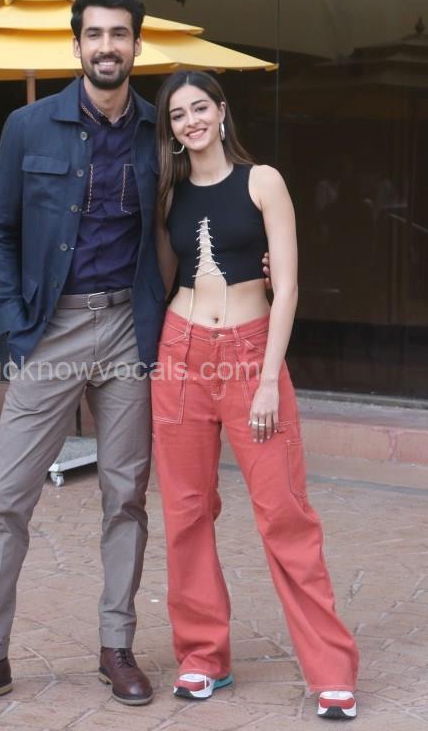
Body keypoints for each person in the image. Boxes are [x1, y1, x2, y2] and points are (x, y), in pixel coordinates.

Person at [0, 0, 166, 717]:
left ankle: (116, 646)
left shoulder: (159, 132)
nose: (107, 46)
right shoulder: (27, 126)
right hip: (52, 329)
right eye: (95, 34)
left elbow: (190, 218)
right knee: (8, 495)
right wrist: (12, 324)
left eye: (119, 34)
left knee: (125, 495)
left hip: (127, 326)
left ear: (136, 45)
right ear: (76, 44)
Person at [152, 71, 359, 720]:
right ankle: (202, 657)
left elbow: (288, 286)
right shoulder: (169, 193)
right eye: (178, 114)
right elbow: (162, 277)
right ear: (171, 129)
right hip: (180, 354)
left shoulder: (262, 181)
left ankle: (331, 670)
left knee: (284, 513)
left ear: (222, 112)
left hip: (250, 355)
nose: (191, 121)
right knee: (186, 512)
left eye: (200, 108)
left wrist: (269, 377)